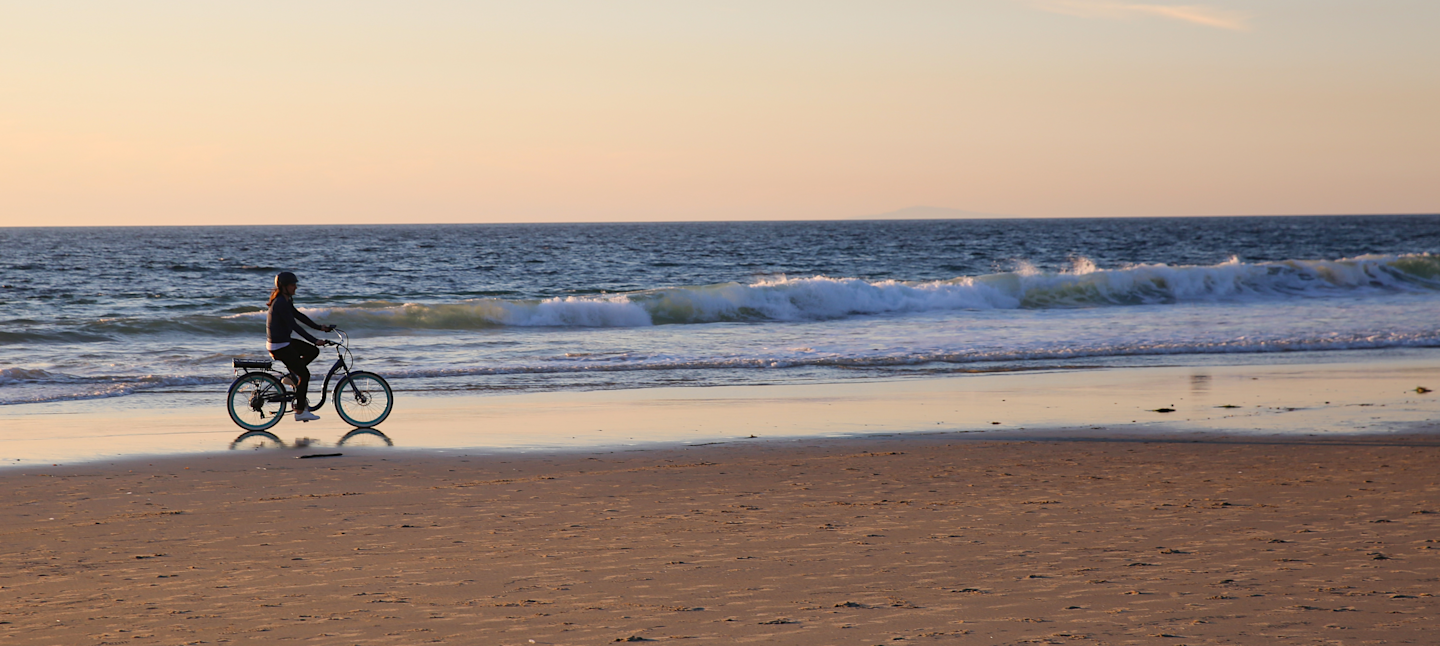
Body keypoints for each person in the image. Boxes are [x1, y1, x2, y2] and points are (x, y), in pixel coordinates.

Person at [267, 271, 335, 422]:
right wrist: (314, 339)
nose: (295, 287)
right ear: (283, 286)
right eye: (292, 285)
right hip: (280, 345)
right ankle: (299, 411)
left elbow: (299, 316)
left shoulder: (286, 300)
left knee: (312, 351)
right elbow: (294, 325)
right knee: (305, 375)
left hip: (283, 342)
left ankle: (293, 375)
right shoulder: (280, 303)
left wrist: (319, 327)